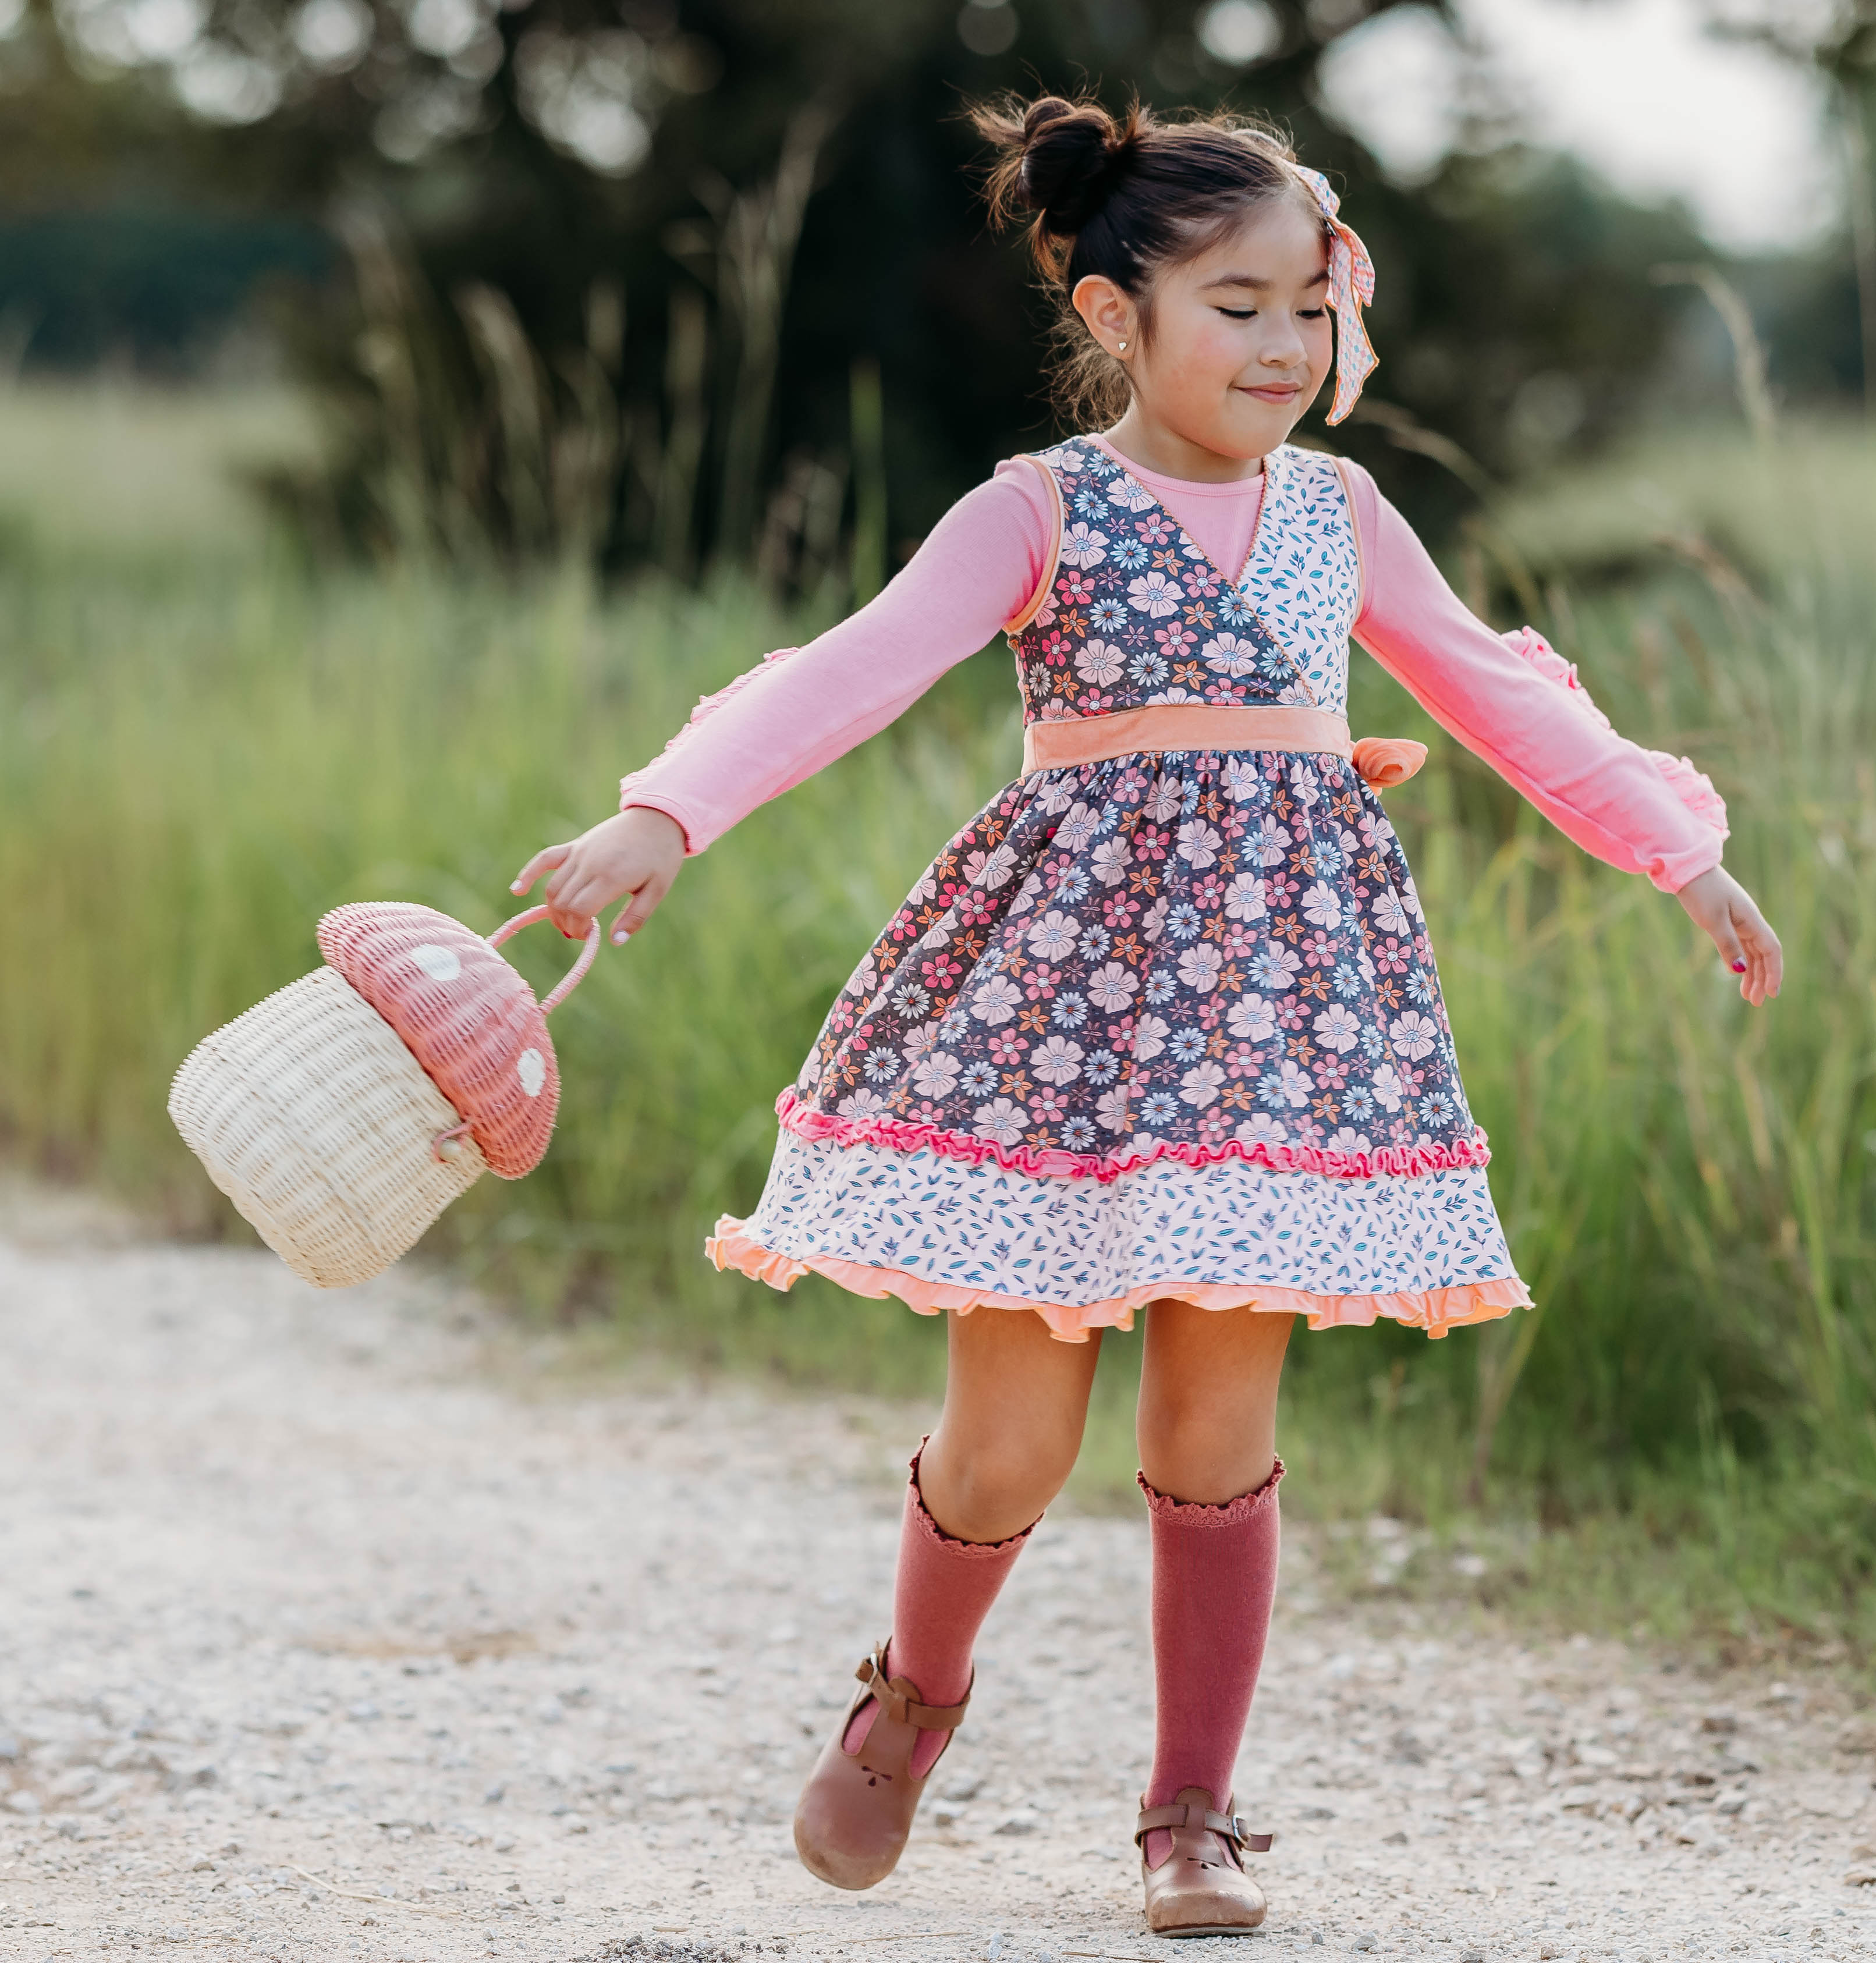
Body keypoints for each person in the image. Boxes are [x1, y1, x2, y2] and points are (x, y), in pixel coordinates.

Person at [513, 92, 1784, 1939]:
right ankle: (913, 1701)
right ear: (1117, 316)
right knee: (1011, 1438)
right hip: (1060, 1021)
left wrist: (1679, 854)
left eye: (1307, 309)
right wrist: (668, 808)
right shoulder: (1039, 507)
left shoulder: (1343, 515)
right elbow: (857, 666)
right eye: (1237, 307)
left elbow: (1505, 696)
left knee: (1215, 1419)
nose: (1284, 344)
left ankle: (1192, 1811)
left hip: (1285, 1026)